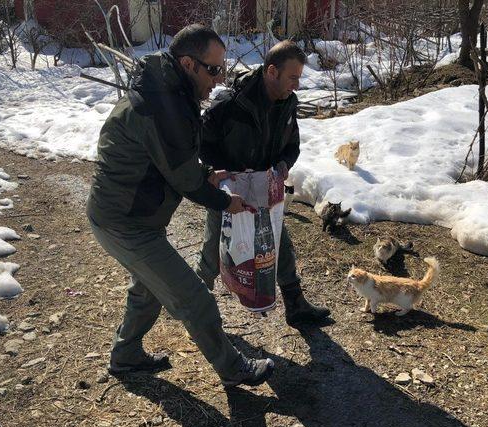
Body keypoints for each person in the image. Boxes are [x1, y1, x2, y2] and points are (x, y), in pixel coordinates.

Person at [86, 24, 274, 387]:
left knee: (148, 289)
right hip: (123, 222)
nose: (219, 80)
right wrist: (224, 201)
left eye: (224, 69)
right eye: (214, 69)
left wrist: (207, 173)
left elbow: (174, 161)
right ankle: (233, 369)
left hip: (132, 216)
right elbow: (183, 178)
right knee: (192, 296)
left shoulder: (169, 94)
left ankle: (126, 356)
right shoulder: (161, 105)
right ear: (189, 64)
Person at [195, 40, 330, 326]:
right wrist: (215, 173)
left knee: (278, 242)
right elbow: (200, 145)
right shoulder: (230, 104)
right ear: (272, 71)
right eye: (293, 77)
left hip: (265, 188)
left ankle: (296, 306)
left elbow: (291, 145)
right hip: (228, 191)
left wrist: (283, 164)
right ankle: (193, 308)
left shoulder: (288, 104)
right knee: (213, 251)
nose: (296, 85)